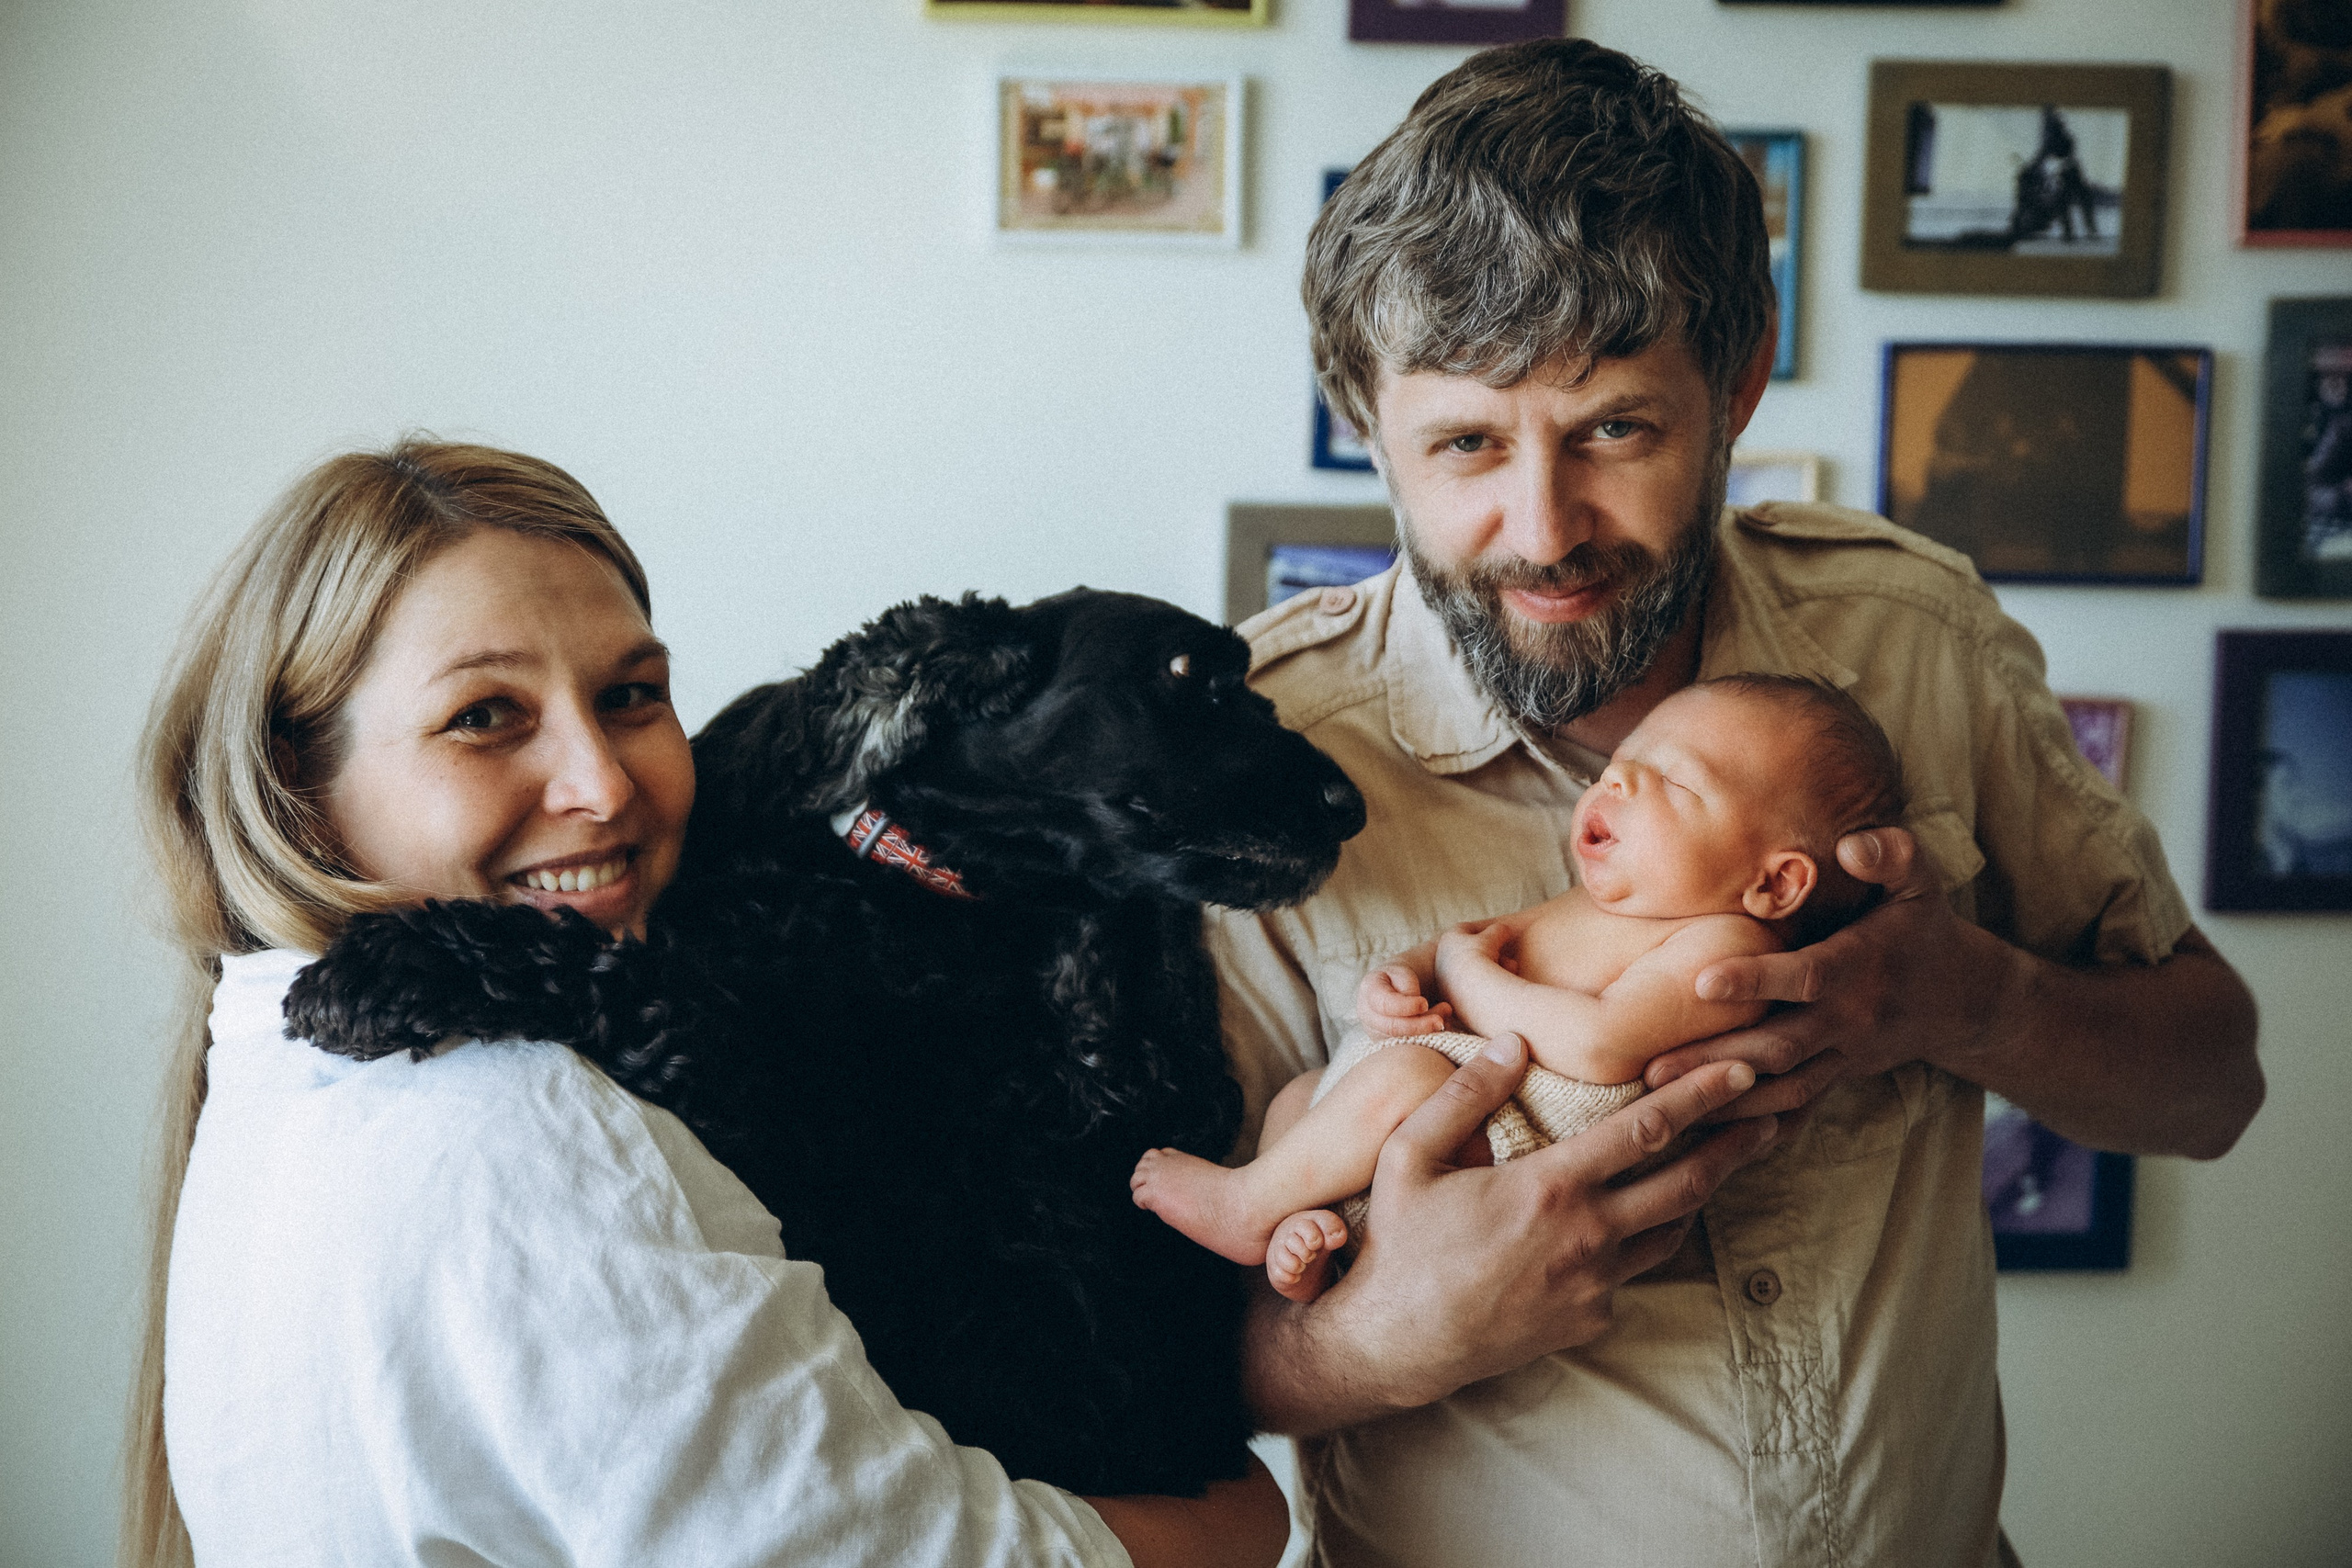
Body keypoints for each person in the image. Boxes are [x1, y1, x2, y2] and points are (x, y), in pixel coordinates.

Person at [1208, 39, 2264, 1568]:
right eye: (1463, 446)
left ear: (1740, 381)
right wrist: (1383, 1338)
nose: (1544, 529)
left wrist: (1965, 996)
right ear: (1363, 413)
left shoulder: (1918, 640)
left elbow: (2213, 1086)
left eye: (1617, 428)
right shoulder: (1251, 758)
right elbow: (1134, 1332)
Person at [124, 439, 1287, 1568]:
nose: (603, 784)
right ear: (295, 785)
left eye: (631, 695)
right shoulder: (525, 1132)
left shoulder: (288, 1076)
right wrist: (1243, 1521)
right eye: (485, 715)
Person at [1133, 674, 1903, 1302]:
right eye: (1618, 765)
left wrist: (1469, 975)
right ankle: (1305, 1238)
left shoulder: (1725, 948)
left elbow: (1598, 1045)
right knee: (1301, 1095)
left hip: (1488, 1151)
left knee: (1411, 1075)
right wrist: (1401, 978)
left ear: (1774, 882)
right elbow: (1468, 942)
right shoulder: (1597, 903)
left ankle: (1247, 1205)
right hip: (1389, 1125)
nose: (1617, 778)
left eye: (1670, 778)